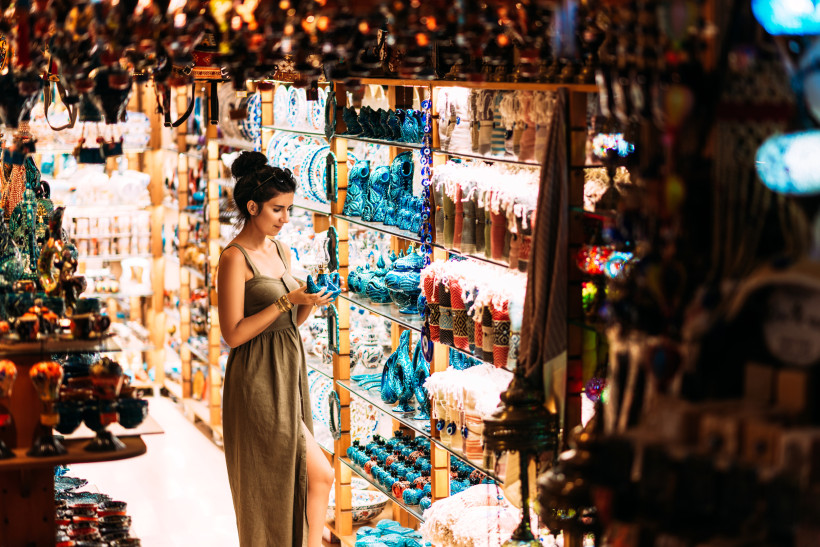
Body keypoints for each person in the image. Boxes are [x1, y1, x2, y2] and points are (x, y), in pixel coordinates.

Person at [217, 151, 335, 547]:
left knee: (310, 474)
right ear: (253, 207)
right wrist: (288, 300)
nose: (285, 218)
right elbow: (232, 334)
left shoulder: (280, 251)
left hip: (288, 367)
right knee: (284, 477)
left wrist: (308, 304)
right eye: (277, 209)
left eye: (288, 209)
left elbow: (287, 323)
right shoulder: (234, 258)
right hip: (255, 380)